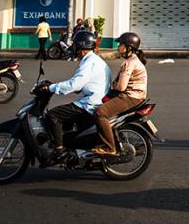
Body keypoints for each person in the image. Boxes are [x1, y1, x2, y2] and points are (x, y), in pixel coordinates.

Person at [42, 30, 110, 161]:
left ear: (82, 46)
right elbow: (82, 83)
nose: (74, 49)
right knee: (68, 117)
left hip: (90, 102)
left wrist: (50, 88)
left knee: (53, 115)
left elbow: (75, 84)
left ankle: (59, 150)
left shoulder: (89, 63)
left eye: (76, 46)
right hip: (95, 98)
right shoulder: (93, 59)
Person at [92, 32, 148, 155]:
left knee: (100, 112)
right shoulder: (133, 60)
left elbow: (121, 87)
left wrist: (113, 85)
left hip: (130, 97)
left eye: (121, 44)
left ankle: (110, 147)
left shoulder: (129, 63)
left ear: (129, 47)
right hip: (135, 96)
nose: (118, 47)